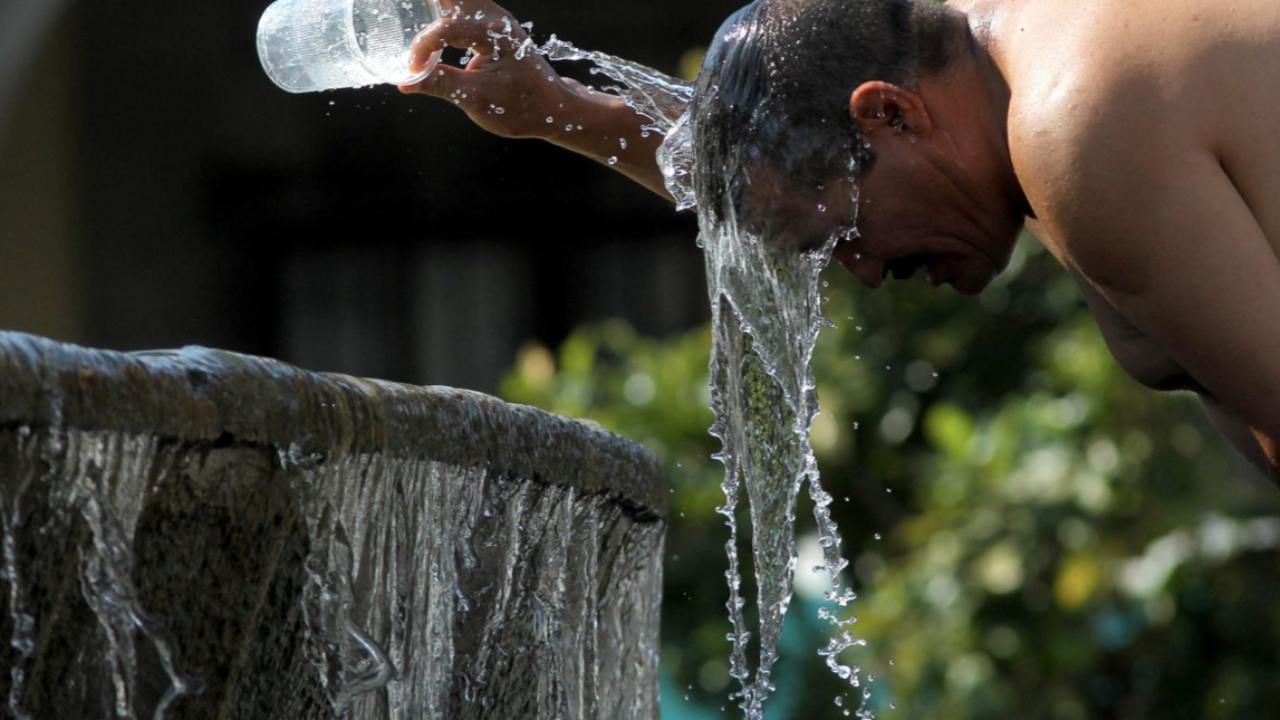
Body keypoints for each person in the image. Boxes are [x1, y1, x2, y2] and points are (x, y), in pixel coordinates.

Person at [399, 0, 1280, 483]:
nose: (861, 270)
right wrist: (560, 110)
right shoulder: (1011, 50)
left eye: (848, 235)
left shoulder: (1074, 137)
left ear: (890, 111)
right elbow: (783, 160)